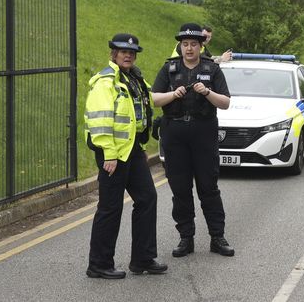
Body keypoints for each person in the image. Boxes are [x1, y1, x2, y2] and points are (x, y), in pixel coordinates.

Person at [85, 33, 167, 279]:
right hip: (112, 154)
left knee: (147, 198)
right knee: (110, 208)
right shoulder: (105, 82)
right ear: (114, 53)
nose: (128, 55)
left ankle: (142, 259)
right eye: (123, 51)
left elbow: (142, 110)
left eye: (132, 52)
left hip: (132, 151)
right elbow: (99, 122)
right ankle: (98, 264)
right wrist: (109, 154)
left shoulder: (135, 78)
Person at [152, 23, 234, 258]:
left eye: (194, 44)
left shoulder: (212, 69)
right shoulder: (169, 69)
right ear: (180, 46)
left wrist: (207, 92)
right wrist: (173, 94)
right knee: (180, 188)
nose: (189, 48)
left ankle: (217, 237)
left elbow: (226, 103)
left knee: (208, 187)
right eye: (185, 44)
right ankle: (185, 238)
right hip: (175, 132)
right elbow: (154, 99)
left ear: (201, 46)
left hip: (203, 131)